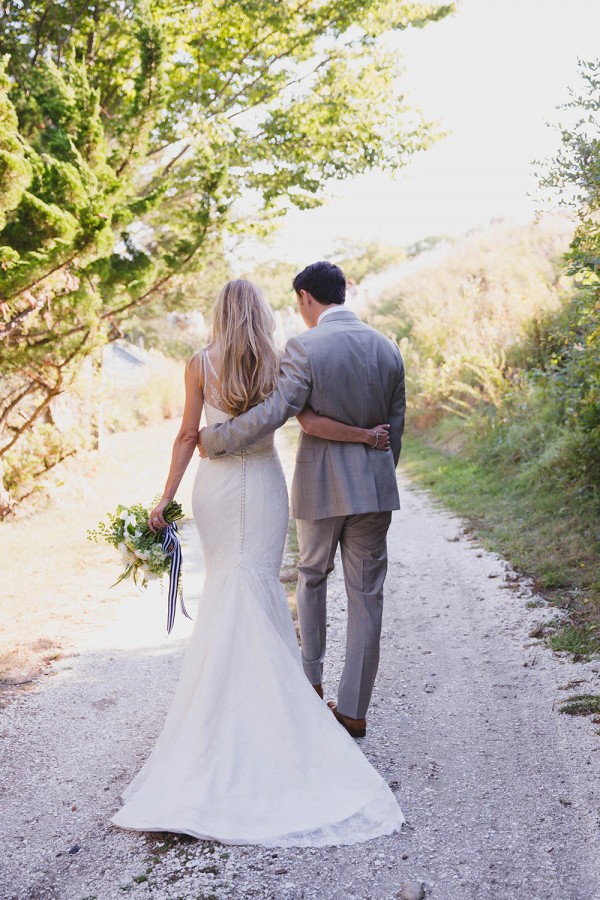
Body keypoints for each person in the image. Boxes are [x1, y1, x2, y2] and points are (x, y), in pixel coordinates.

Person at [111, 278, 404, 846]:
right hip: (266, 486)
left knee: (229, 586)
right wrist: (372, 440)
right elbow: (305, 419)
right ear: (264, 313)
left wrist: (165, 496)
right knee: (262, 586)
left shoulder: (200, 363)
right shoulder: (280, 357)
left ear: (219, 313)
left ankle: (221, 719)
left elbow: (187, 435)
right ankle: (297, 710)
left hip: (217, 489)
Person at [200, 261, 405, 740]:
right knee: (367, 596)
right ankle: (354, 710)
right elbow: (395, 429)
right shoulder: (387, 348)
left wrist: (219, 439)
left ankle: (310, 685)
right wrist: (377, 474)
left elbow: (276, 411)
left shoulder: (305, 347)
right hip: (374, 491)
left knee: (312, 579)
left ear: (306, 298)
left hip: (321, 488)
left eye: (299, 302)